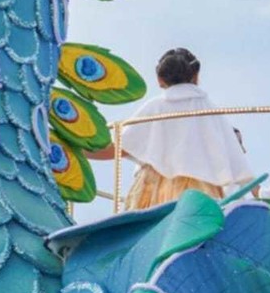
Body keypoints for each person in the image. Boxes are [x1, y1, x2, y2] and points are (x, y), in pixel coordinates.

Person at [90, 48, 254, 210]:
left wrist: (78, 151)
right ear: (195, 75)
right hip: (203, 191)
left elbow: (121, 148)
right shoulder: (209, 109)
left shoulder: (155, 107)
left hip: (156, 189)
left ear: (160, 79)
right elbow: (234, 158)